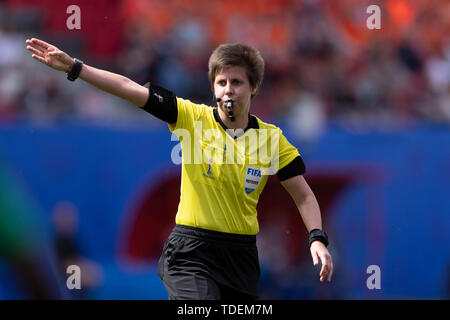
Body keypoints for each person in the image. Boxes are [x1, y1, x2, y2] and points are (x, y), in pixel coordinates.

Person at [25, 37, 333, 300]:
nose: (228, 90)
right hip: (191, 252)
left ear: (254, 88)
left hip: (241, 256)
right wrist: (75, 68)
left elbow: (303, 195)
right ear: (213, 87)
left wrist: (316, 238)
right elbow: (128, 88)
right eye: (221, 82)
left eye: (237, 82)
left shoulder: (271, 139)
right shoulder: (191, 117)